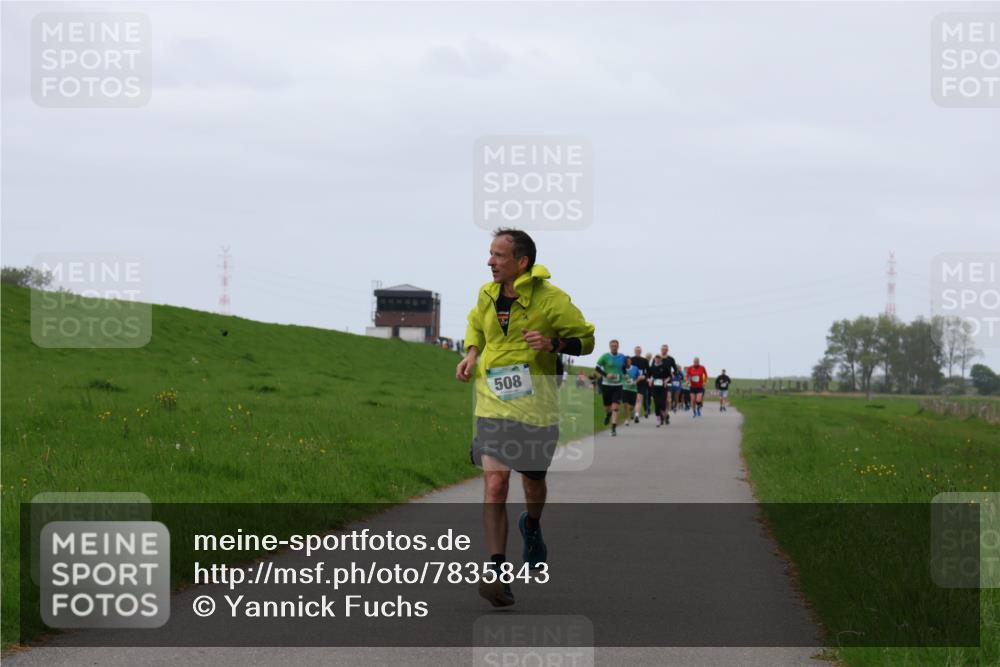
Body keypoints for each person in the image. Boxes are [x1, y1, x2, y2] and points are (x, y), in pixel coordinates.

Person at [457, 228, 595, 607]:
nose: (490, 261)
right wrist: (471, 353)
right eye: (490, 254)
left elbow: (586, 340)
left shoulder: (551, 300)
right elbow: (475, 326)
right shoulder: (486, 295)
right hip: (492, 405)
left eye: (499, 255)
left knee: (533, 485)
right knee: (496, 484)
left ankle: (532, 525)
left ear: (522, 262)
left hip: (536, 409)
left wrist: (553, 344)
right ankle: (498, 572)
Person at [595, 339, 627, 436]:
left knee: (615, 406)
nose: (614, 347)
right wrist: (606, 374)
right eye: (612, 346)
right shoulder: (605, 357)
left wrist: (625, 375)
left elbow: (624, 368)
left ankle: (613, 428)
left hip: (618, 385)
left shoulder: (622, 357)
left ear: (618, 346)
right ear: (610, 347)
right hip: (606, 385)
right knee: (607, 406)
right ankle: (608, 415)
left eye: (615, 346)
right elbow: (597, 367)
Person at [646, 354, 672, 426]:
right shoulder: (652, 368)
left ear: (661, 359)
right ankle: (659, 420)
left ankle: (665, 415)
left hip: (663, 388)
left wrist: (666, 381)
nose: (657, 359)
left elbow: (669, 376)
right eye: (656, 358)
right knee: (657, 404)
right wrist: (649, 380)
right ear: (654, 359)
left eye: (659, 358)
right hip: (654, 388)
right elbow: (647, 377)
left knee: (662, 403)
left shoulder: (665, 367)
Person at [631, 346, 651, 419]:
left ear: (641, 351)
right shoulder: (631, 359)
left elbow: (649, 371)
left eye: (639, 351)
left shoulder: (645, 360)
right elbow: (626, 369)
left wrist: (645, 376)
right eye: (636, 351)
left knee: (639, 398)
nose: (638, 352)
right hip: (632, 382)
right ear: (634, 351)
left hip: (642, 382)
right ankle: (632, 411)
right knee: (633, 399)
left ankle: (637, 414)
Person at [622, 356, 643, 425]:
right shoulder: (622, 368)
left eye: (629, 361)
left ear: (631, 361)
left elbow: (640, 377)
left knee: (632, 406)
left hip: (633, 389)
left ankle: (632, 412)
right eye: (627, 361)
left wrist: (636, 381)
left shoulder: (635, 368)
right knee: (625, 405)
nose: (628, 362)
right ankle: (626, 419)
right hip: (624, 389)